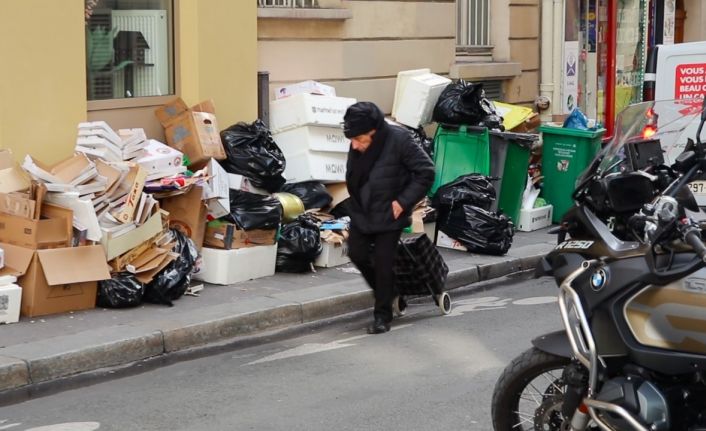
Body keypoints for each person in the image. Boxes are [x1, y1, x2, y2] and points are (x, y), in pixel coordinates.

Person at [342, 102, 435, 334]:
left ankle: (382, 316)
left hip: (390, 212)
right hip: (363, 210)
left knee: (384, 263)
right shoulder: (358, 143)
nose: (354, 145)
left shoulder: (399, 139)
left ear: (373, 131)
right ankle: (391, 292)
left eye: (359, 139)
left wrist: (403, 202)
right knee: (357, 254)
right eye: (352, 140)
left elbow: (426, 172)